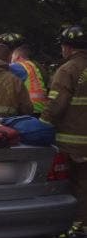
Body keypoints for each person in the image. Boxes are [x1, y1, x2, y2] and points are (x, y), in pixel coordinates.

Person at [41, 25, 87, 224]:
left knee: (72, 186)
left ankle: (76, 231)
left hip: (73, 144)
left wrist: (41, 127)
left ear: (67, 48)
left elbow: (57, 105)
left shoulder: (68, 69)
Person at [10, 44, 48, 114]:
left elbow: (1, 67)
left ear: (18, 57)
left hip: (30, 109)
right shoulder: (33, 66)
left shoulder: (21, 66)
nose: (11, 61)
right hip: (40, 108)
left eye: (12, 58)